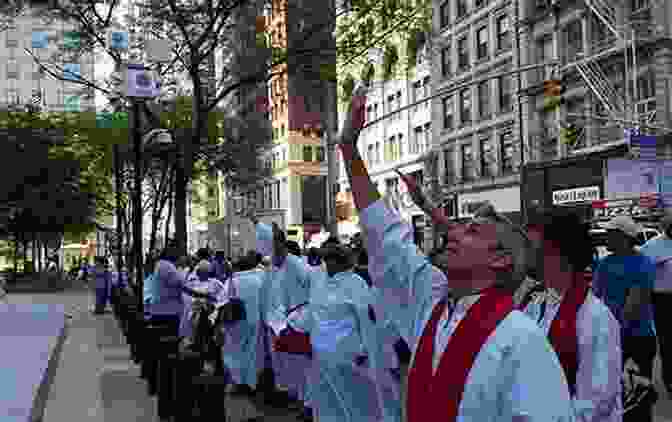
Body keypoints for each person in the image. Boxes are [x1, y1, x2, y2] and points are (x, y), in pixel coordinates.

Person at [335, 83, 574, 421]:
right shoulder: (431, 309)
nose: (453, 232)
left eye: (472, 230)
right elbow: (385, 236)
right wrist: (348, 148)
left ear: (499, 259)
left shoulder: (522, 342)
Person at [520, 207, 622, 422]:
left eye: (532, 246)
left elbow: (596, 402)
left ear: (556, 253)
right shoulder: (534, 304)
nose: (525, 252)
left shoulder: (596, 318)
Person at [281, 240, 381, 422]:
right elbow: (314, 312)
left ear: (342, 261)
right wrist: (293, 323)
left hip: (348, 353)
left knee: (351, 402)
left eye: (331, 259)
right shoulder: (319, 281)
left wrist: (365, 349)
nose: (327, 264)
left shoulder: (356, 283)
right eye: (325, 259)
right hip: (320, 353)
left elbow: (366, 320)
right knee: (326, 401)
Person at [593, 215, 657, 422]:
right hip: (612, 336)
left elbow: (633, 305)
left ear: (624, 237)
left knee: (638, 394)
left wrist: (612, 336)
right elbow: (594, 299)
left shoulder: (642, 263)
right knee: (615, 393)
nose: (606, 238)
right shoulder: (604, 264)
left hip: (636, 338)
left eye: (610, 234)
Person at [250, 216, 311, 409]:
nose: (273, 254)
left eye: (277, 249)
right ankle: (290, 394)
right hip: (278, 323)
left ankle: (301, 400)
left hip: (294, 323)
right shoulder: (274, 269)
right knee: (283, 362)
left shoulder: (297, 265)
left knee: (296, 364)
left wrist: (276, 238)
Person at [640, 211, 672, 396]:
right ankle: (670, 381)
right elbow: (641, 270)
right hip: (663, 301)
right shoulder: (652, 246)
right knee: (668, 343)